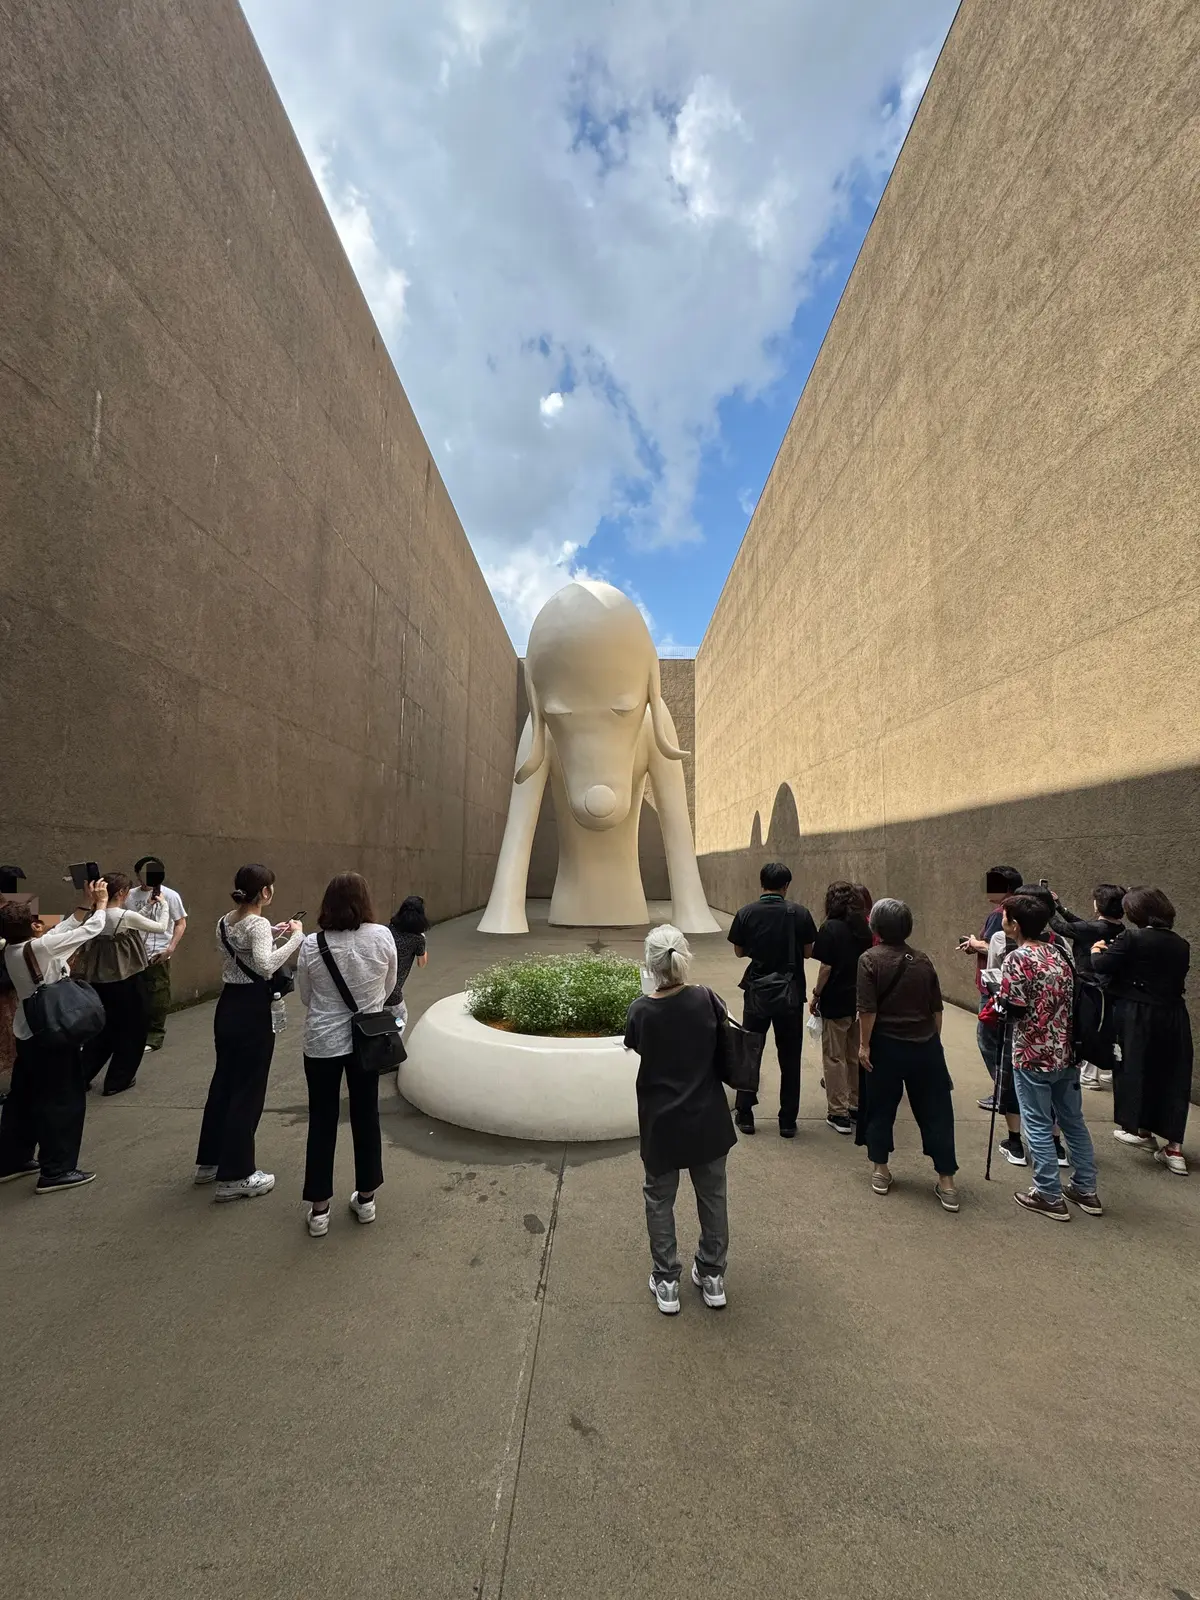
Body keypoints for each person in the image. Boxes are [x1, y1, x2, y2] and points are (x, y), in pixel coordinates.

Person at [624, 925, 736, 1315]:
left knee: (659, 1198)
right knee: (713, 1196)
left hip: (662, 1123)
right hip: (708, 1118)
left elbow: (635, 1044)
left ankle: (667, 1280)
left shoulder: (640, 1010)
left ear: (650, 964)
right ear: (685, 956)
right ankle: (712, 1274)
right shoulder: (707, 998)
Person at [194, 864, 303, 1202]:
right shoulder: (255, 924)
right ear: (266, 892)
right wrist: (296, 937)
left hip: (228, 1006)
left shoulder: (226, 921)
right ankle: (237, 1174)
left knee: (224, 1083)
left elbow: (247, 950)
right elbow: (266, 964)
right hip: (253, 1010)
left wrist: (274, 932)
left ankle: (209, 1162)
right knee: (249, 1089)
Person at [296, 873, 396, 1237]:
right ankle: (366, 1199)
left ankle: (319, 1210)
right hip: (367, 1040)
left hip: (322, 1041)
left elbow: (305, 995)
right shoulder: (382, 936)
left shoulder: (311, 944)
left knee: (322, 1119)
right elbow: (388, 987)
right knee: (366, 1113)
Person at [0, 878, 109, 1192]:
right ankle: (57, 1169)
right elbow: (87, 931)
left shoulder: (14, 949)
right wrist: (100, 904)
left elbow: (60, 933)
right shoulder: (41, 948)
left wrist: (85, 904)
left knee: (22, 1097)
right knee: (63, 1100)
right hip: (53, 1035)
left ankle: (11, 1159)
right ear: (35, 926)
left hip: (28, 1032)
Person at [997, 893, 1101, 1220]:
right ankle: (1086, 1188)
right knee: (1072, 1121)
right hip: (1067, 1050)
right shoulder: (1059, 952)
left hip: (1032, 1053)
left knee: (1038, 1123)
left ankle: (1048, 1193)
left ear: (1014, 924)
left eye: (1005, 916)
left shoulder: (1018, 958)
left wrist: (998, 997)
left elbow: (1012, 1008)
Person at [855, 898, 959, 1211]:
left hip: (885, 1045)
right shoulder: (923, 959)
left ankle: (881, 1170)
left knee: (880, 1108)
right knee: (937, 1110)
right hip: (925, 1045)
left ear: (875, 927)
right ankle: (947, 1182)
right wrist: (933, 1043)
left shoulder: (869, 960)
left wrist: (863, 1045)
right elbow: (936, 1010)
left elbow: (867, 1010)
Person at [1092, 887, 1191, 1176]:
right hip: (1173, 1015)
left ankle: (1139, 1129)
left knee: (1134, 1068)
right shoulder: (1180, 943)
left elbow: (1103, 965)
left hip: (1136, 1014)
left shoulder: (1131, 938)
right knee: (1172, 1074)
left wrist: (1097, 949)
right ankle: (1174, 1149)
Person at [727, 862, 818, 1138]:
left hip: (757, 992)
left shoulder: (746, 913)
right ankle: (787, 1121)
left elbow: (739, 952)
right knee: (789, 1058)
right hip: (789, 995)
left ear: (761, 883)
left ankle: (745, 1114)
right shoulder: (799, 913)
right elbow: (807, 953)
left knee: (750, 1051)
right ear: (786, 886)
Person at [77, 871, 169, 1095]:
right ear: (120, 892)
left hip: (99, 980)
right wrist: (163, 906)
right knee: (134, 1030)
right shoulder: (124, 916)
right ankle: (118, 1080)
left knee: (102, 1031)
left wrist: (146, 907)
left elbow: (131, 920)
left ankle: (80, 1076)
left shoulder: (94, 915)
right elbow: (159, 927)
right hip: (127, 979)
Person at [958, 866, 1022, 1112]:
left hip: (995, 989)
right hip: (1009, 987)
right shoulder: (1018, 910)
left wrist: (976, 943)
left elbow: (998, 946)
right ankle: (1009, 1092)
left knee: (988, 1039)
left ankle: (1004, 1092)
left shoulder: (1001, 913)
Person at [810, 881, 873, 1132]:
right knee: (853, 1055)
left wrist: (816, 994)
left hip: (835, 999)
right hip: (859, 1000)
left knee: (834, 1057)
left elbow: (826, 967)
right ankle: (856, 1104)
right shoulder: (864, 929)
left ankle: (838, 1111)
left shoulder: (829, 928)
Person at [1050, 883, 1126, 1088]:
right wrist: (1059, 907)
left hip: (1089, 985)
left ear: (1099, 904)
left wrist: (1046, 908)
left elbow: (1062, 928)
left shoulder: (1095, 928)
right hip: (1107, 985)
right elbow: (1080, 925)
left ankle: (1089, 1074)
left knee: (1088, 1026)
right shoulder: (1118, 928)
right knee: (1103, 1026)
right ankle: (1103, 1071)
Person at [128, 856, 188, 1052]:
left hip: (158, 952)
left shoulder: (171, 896)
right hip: (133, 954)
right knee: (135, 995)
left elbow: (180, 923)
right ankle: (135, 1033)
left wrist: (170, 948)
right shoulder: (129, 895)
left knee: (158, 994)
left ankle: (154, 1036)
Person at [385, 894, 429, 1031]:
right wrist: (424, 947)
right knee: (401, 1020)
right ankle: (392, 1047)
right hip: (393, 993)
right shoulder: (417, 939)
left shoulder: (387, 930)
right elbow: (422, 963)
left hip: (375, 989)